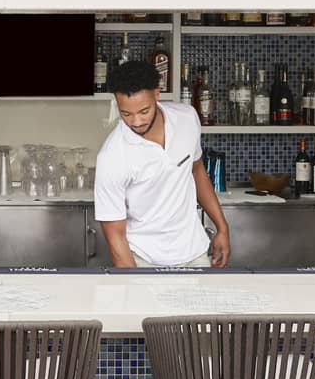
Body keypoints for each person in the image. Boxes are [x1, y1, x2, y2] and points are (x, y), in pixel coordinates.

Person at [93, 60, 230, 268]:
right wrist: (132, 281)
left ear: (157, 94)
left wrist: (222, 227)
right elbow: (116, 237)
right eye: (126, 114)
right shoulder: (111, 157)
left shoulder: (187, 118)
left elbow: (196, 170)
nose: (136, 122)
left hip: (195, 253)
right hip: (143, 260)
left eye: (144, 111)